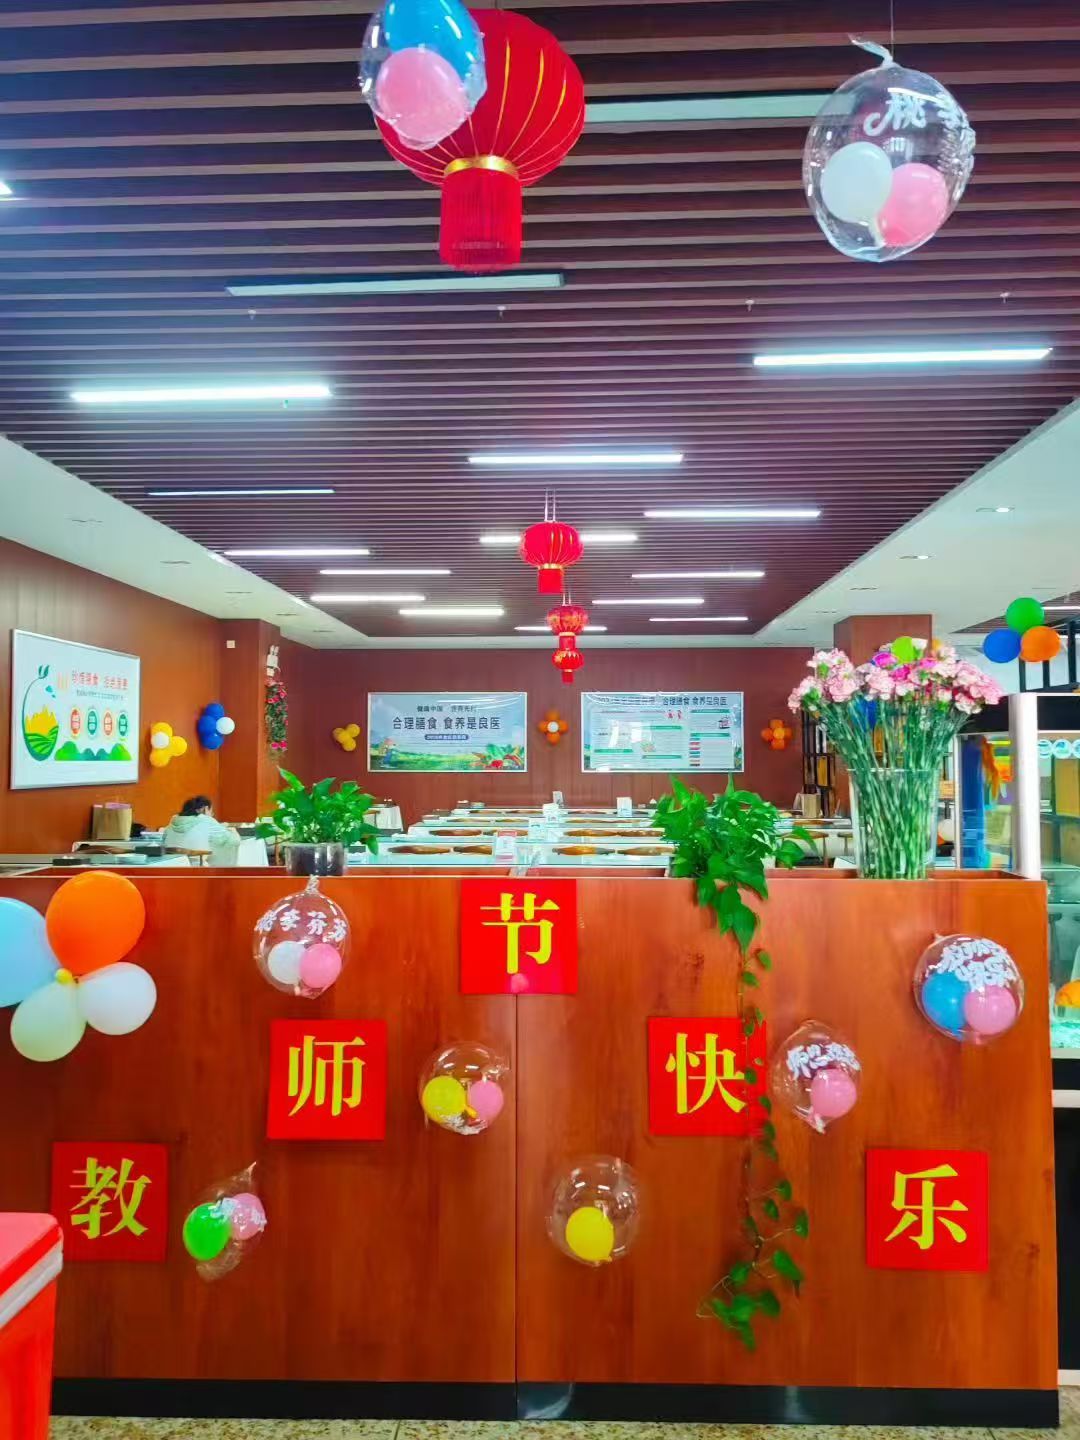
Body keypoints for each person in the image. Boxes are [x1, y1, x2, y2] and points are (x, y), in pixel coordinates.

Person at [162, 796, 240, 866]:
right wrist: (233, 831)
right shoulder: (206, 820)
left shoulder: (173, 820)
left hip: (173, 865)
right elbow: (233, 841)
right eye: (211, 811)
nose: (212, 814)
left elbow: (164, 839)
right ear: (205, 809)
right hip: (198, 867)